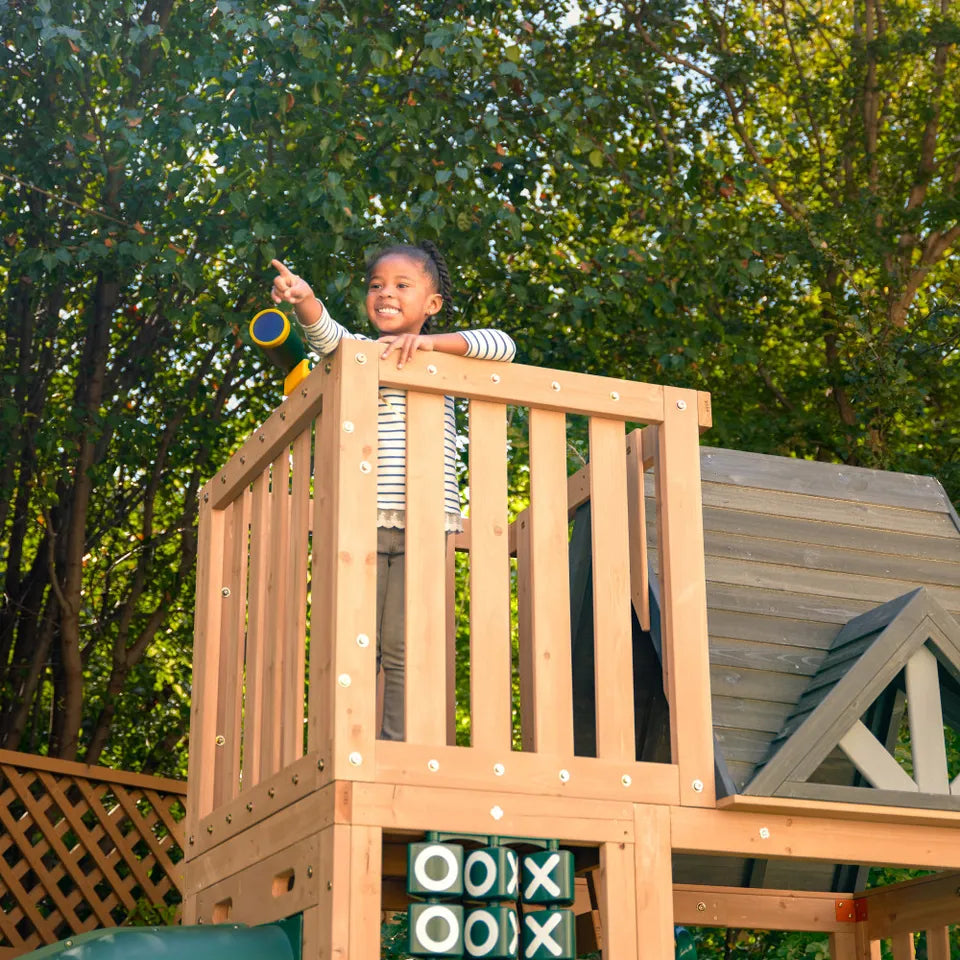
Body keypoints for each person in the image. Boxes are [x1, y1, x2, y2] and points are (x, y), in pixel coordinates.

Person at [269, 242, 515, 741]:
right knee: (357, 641)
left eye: (403, 286)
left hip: (429, 521)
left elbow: (503, 344)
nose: (386, 293)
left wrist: (431, 345)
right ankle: (348, 743)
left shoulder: (446, 359)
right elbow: (324, 335)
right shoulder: (361, 351)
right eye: (377, 285)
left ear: (433, 304)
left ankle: (396, 746)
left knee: (406, 645)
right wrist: (304, 300)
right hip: (362, 517)